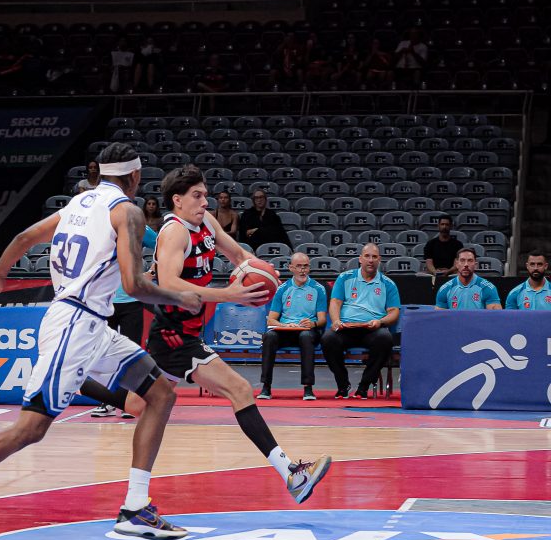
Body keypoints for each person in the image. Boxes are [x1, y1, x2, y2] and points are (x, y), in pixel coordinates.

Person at [0, 142, 204, 540]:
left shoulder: (79, 202)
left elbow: (25, 236)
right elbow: (133, 285)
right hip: (75, 325)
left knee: (160, 393)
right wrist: (179, 297)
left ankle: (135, 508)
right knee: (31, 428)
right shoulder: (127, 212)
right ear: (134, 177)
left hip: (92, 324)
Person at [146, 164, 331, 503]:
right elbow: (168, 283)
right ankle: (292, 474)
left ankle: (79, 380)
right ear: (177, 200)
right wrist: (228, 294)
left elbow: (237, 253)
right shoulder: (174, 232)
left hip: (186, 330)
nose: (205, 201)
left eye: (205, 194)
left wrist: (262, 270)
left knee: (137, 404)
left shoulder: (206, 221)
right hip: (174, 335)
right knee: (241, 389)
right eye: (197, 196)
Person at [91, 224, 158, 418]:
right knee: (104, 354)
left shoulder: (139, 227)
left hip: (131, 301)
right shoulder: (101, 225)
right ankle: (108, 401)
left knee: (131, 354)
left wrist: (152, 272)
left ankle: (130, 401)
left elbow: (163, 245)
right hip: (105, 302)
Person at [322, 243, 400, 400]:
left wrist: (380, 322)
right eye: (367, 256)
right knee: (328, 339)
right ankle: (343, 385)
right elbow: (335, 302)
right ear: (360, 259)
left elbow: (394, 312)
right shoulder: (345, 278)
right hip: (346, 328)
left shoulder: (388, 284)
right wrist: (336, 320)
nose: (370, 260)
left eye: (374, 257)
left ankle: (363, 387)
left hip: (372, 330)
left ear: (379, 260)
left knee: (385, 338)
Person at [258, 254, 327, 401]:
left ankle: (308, 388)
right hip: (286, 330)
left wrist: (313, 324)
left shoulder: (318, 289)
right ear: (291, 268)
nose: (302, 270)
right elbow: (271, 319)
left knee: (306, 336)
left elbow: (322, 320)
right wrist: (284, 325)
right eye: (299, 266)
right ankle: (266, 387)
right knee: (269, 336)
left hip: (308, 331)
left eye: (305, 266)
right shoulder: (282, 289)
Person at [435, 247, 502, 311]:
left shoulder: (487, 288)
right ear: (457, 264)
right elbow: (440, 317)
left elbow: (495, 316)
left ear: (475, 265)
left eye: (470, 261)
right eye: (462, 260)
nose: (466, 264)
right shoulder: (445, 289)